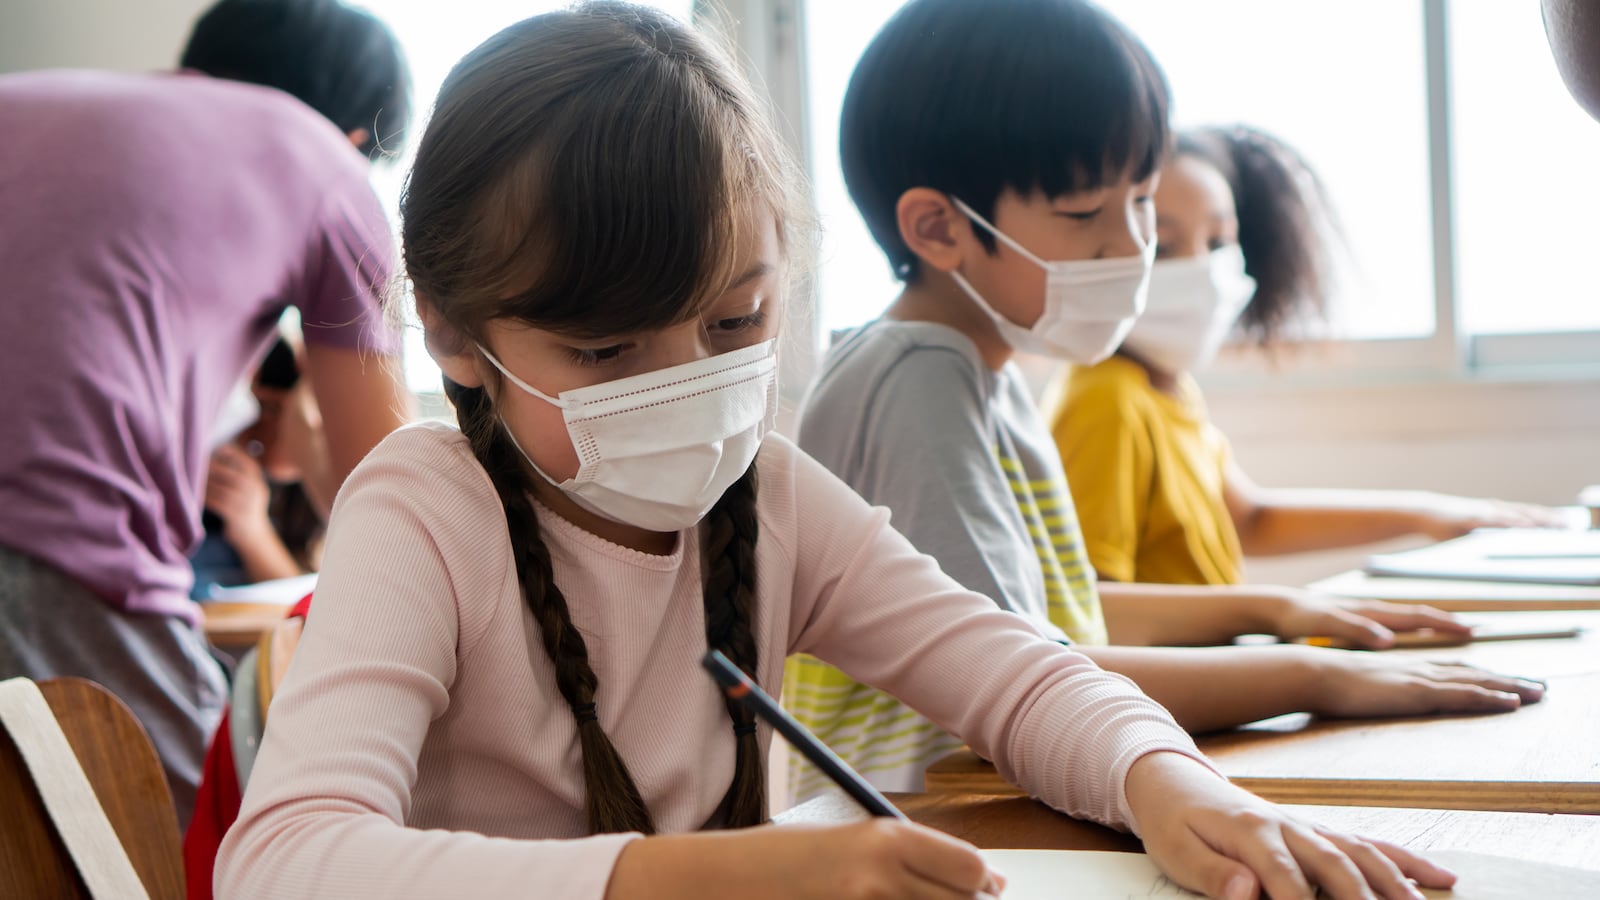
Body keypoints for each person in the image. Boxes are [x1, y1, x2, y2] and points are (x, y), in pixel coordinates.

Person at [217, 5, 1462, 899]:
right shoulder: (425, 508)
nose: (690, 389)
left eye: (736, 322)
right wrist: (719, 876)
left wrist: (1169, 783)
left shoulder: (769, 500)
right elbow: (284, 862)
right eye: (604, 353)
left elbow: (1019, 675)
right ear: (453, 336)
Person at [786, 0, 1542, 811]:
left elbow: (1042, 616)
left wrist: (1281, 610)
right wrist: (1316, 673)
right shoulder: (918, 381)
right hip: (941, 825)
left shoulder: (978, 368)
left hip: (998, 803)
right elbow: (1015, 674)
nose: (1132, 247)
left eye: (1140, 201)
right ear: (939, 228)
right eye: (1083, 214)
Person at [0, 0, 414, 826]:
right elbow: (396, 500)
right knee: (242, 850)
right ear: (359, 138)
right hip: (47, 554)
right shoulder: (322, 162)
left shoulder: (27, 98)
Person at [1042, 124, 1565, 589]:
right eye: (1166, 246)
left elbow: (1250, 521)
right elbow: (1099, 614)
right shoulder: (1104, 400)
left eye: (1221, 241)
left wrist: (1429, 515)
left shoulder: (1163, 389)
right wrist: (1279, 617)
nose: (1203, 268)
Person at [193, 337, 327, 598]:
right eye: (255, 408)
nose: (255, 431)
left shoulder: (322, 495)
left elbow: (305, 600)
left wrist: (251, 528)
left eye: (273, 409)